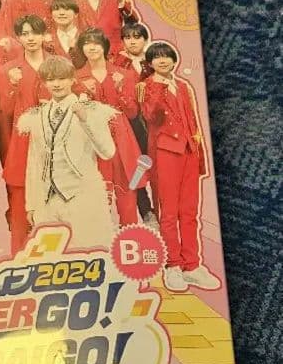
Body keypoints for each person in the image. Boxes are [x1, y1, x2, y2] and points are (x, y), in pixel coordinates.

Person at [141, 41, 219, 292]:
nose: (163, 60)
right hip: (165, 153)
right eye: (157, 57)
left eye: (167, 56)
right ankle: (172, 265)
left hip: (188, 152)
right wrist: (159, 88)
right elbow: (151, 115)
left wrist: (199, 156)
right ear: (150, 63)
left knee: (189, 212)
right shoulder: (147, 86)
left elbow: (192, 123)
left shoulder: (184, 86)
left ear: (174, 60)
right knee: (169, 213)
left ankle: (192, 265)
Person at [18, 56, 116, 250]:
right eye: (51, 79)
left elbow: (108, 151)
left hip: (82, 195)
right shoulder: (37, 115)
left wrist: (85, 120)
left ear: (72, 79)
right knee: (51, 257)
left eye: (62, 78)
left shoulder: (91, 110)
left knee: (87, 252)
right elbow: (34, 162)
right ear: (44, 83)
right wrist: (32, 204)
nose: (56, 84)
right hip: (48, 199)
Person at [72, 28, 145, 227]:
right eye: (87, 43)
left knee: (127, 191)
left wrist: (120, 90)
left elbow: (132, 113)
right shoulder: (76, 78)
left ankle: (129, 236)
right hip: (91, 140)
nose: (92, 47)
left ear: (104, 46)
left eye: (96, 43)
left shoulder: (125, 75)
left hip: (122, 136)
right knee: (96, 194)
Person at [0, 15, 50, 253]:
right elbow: (5, 111)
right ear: (18, 38)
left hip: (54, 143)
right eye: (25, 34)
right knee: (19, 206)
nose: (31, 38)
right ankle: (18, 258)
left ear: (44, 35)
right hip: (22, 144)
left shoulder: (58, 66)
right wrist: (13, 85)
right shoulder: (7, 70)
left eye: (35, 32)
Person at [112, 22, 158, 227]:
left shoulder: (155, 61)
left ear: (145, 40)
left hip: (155, 122)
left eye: (137, 37)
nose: (132, 41)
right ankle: (146, 210)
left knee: (158, 166)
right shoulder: (118, 64)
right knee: (137, 167)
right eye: (128, 37)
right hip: (132, 122)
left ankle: (160, 209)